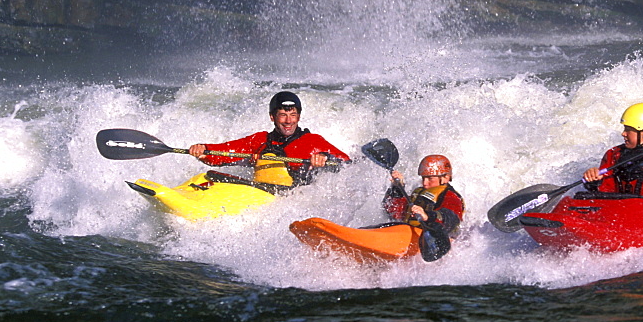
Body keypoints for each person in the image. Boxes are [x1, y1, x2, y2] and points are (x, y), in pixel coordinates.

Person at [188, 91, 350, 189]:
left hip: (294, 198)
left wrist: (326, 158)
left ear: (298, 117)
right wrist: (203, 150)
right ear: (272, 117)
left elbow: (349, 165)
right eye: (283, 115)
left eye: (293, 115)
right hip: (260, 193)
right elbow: (226, 151)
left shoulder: (313, 142)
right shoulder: (260, 140)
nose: (288, 121)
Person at [383, 154, 465, 239]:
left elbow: (451, 219)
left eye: (430, 179)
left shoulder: (451, 196)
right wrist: (397, 188)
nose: (425, 183)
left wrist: (427, 216)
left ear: (445, 178)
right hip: (408, 234)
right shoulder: (419, 193)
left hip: (435, 239)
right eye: (423, 178)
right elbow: (393, 212)